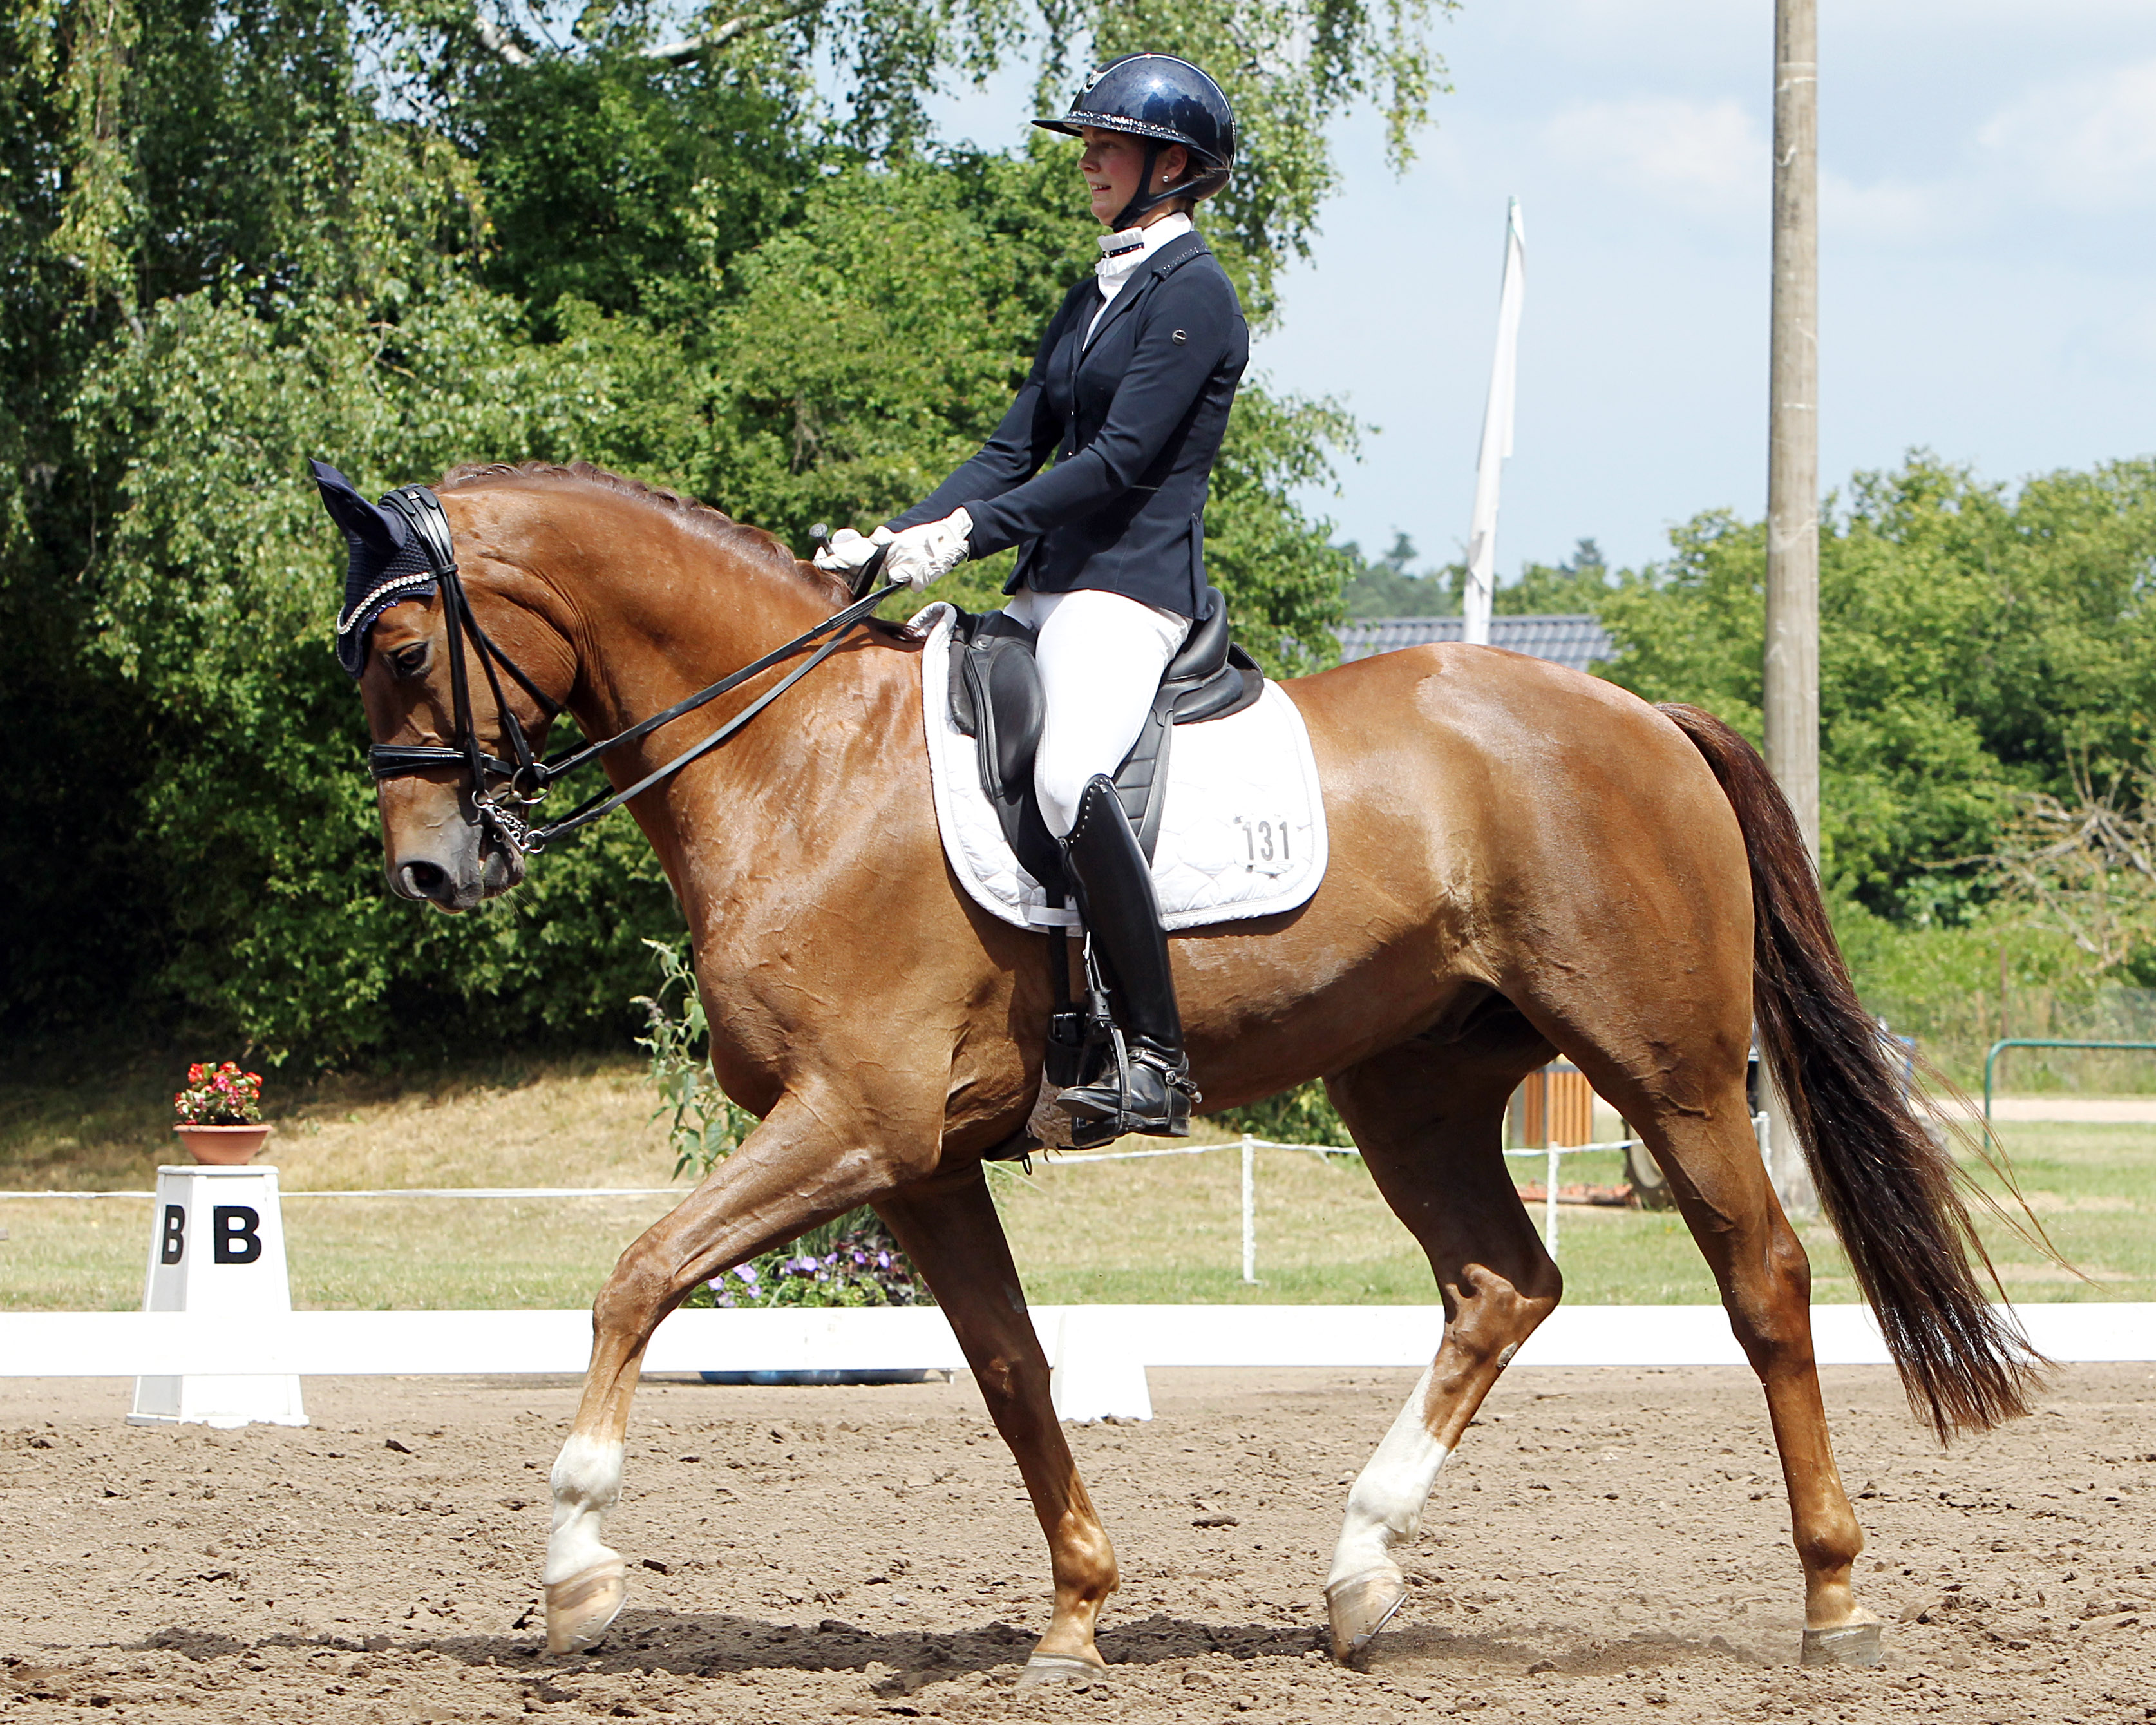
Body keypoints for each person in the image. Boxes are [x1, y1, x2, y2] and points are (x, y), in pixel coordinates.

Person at [816, 52, 1247, 1140]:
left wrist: (967, 536)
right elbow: (1014, 449)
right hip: (1050, 587)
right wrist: (900, 535)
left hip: (1130, 593)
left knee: (1066, 773)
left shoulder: (1196, 294)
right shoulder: (1094, 291)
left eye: (1108, 143)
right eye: (1091, 143)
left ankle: (1153, 1054)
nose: (1090, 160)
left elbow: (1114, 464)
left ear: (1171, 166)